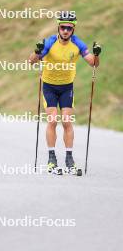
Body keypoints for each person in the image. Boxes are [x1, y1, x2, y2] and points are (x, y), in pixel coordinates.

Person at [29, 11, 101, 175]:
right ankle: (51, 159)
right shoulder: (50, 42)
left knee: (67, 122)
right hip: (49, 87)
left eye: (69, 28)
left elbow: (93, 64)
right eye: (63, 27)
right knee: (53, 121)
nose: (66, 31)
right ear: (58, 28)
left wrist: (97, 55)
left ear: (73, 29)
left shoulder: (78, 44)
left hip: (67, 88)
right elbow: (31, 61)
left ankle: (69, 159)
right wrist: (37, 51)